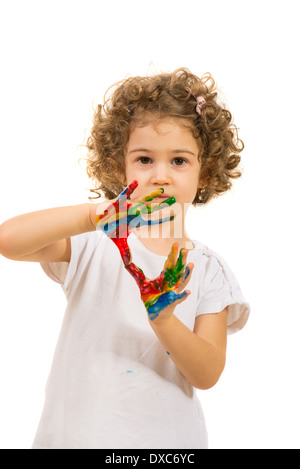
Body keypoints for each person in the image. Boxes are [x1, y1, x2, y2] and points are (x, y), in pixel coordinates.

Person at [0, 68, 250, 449]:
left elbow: (208, 372)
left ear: (207, 168)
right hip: (73, 438)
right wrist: (89, 217)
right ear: (120, 165)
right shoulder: (96, 242)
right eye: (145, 159)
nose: (161, 176)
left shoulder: (209, 270)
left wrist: (163, 317)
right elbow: (9, 240)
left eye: (179, 161)